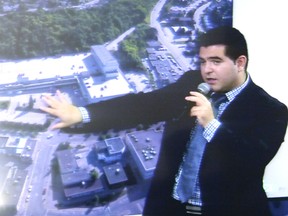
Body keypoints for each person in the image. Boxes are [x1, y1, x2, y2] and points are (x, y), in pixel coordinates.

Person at [41, 26, 288, 216]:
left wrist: (212, 124)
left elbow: (250, 161)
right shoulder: (194, 84)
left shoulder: (271, 110)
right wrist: (82, 113)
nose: (207, 70)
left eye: (216, 61)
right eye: (203, 62)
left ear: (240, 62)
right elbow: (146, 105)